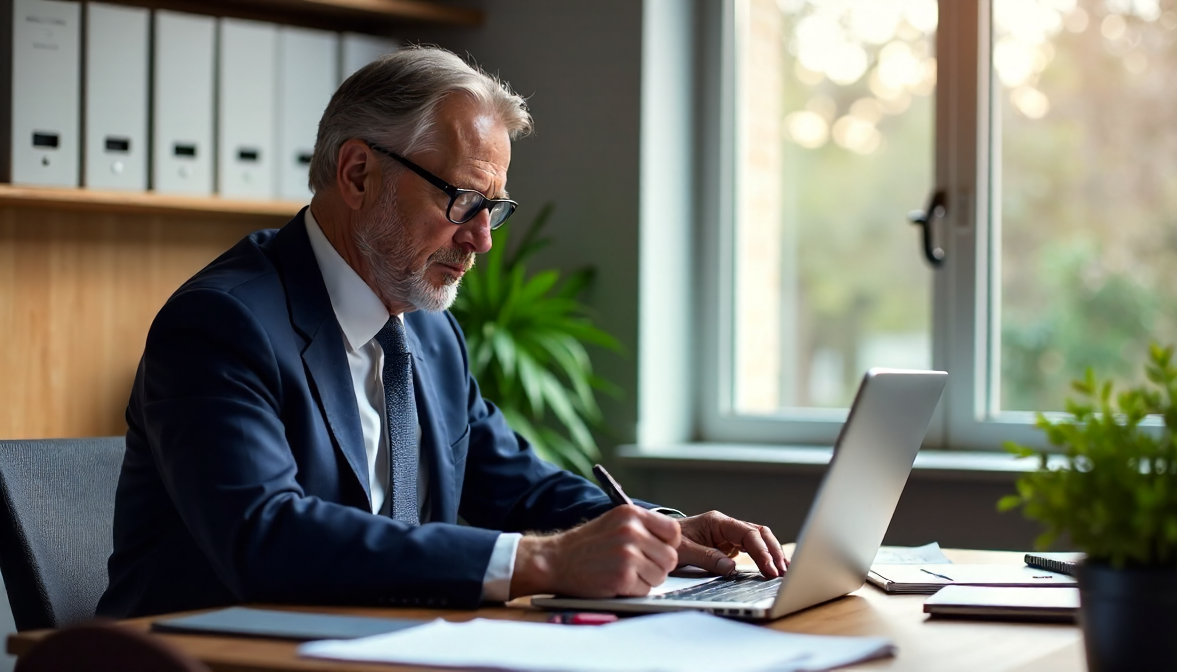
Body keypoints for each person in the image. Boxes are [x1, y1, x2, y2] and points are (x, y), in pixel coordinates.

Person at [97, 46, 788, 619]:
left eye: (494, 208)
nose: (483, 241)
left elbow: (518, 487)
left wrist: (663, 529)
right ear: (359, 173)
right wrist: (540, 561)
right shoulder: (222, 324)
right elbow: (266, 537)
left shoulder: (426, 334)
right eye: (462, 200)